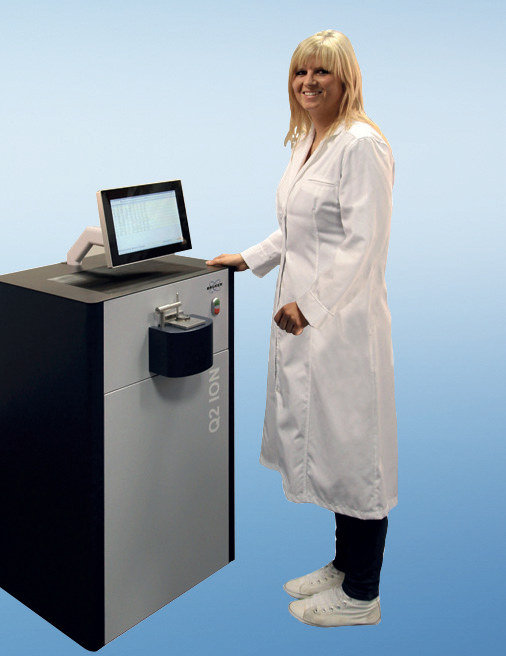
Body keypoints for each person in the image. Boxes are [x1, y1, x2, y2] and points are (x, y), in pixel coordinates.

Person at [207, 29, 397, 628]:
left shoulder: (360, 144)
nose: (308, 82)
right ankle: (344, 566)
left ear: (346, 79)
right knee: (332, 452)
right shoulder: (311, 140)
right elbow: (298, 228)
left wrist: (310, 305)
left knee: (356, 456)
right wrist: (249, 258)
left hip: (343, 327)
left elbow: (363, 243)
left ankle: (362, 595)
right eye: (300, 72)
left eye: (321, 72)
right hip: (309, 325)